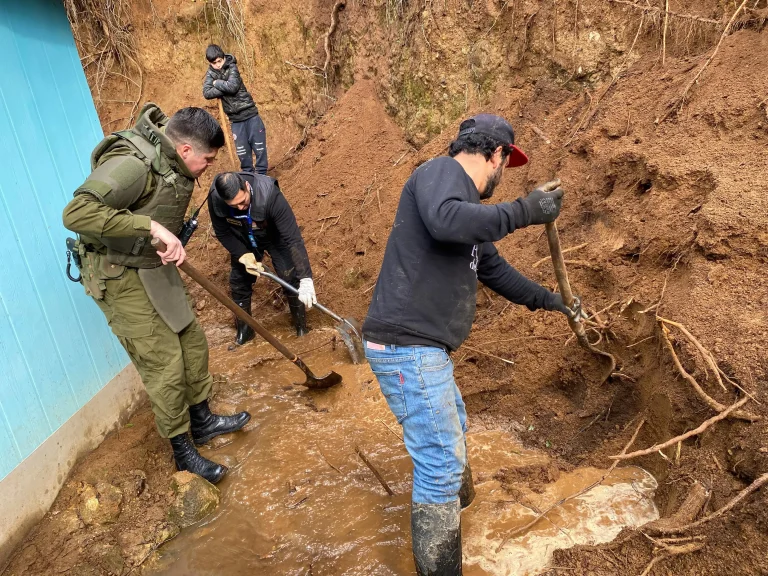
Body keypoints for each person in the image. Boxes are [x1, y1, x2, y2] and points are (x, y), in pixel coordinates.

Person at [362, 114, 580, 575]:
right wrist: (527, 210)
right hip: (407, 346)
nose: (504, 175)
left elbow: (494, 270)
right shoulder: (441, 175)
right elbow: (445, 222)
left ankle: (460, 518)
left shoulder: (465, 215)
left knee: (451, 433)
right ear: (496, 154)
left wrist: (550, 301)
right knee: (440, 462)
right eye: (507, 162)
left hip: (423, 351)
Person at [62, 103, 251, 485]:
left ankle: (203, 421)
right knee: (163, 362)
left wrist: (163, 236)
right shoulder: (133, 165)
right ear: (184, 150)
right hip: (118, 274)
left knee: (192, 342)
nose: (208, 167)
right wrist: (149, 225)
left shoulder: (172, 159)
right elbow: (76, 213)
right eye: (207, 159)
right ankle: (183, 453)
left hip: (152, 265)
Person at [207, 171, 316, 344]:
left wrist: (306, 278)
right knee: (239, 282)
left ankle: (301, 327)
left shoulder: (270, 195)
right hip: (244, 239)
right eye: (234, 206)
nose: (240, 208)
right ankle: (246, 330)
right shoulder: (216, 199)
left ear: (247, 187)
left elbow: (293, 239)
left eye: (243, 202)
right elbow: (222, 232)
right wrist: (242, 254)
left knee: (290, 276)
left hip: (274, 235)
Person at [202, 44, 268, 175]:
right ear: (210, 63)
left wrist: (217, 83)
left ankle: (261, 175)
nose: (218, 65)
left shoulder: (232, 66)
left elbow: (233, 86)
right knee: (243, 152)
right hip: (235, 120)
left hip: (250, 114)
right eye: (214, 63)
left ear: (223, 57)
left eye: (219, 61)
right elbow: (207, 92)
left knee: (259, 148)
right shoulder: (211, 73)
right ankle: (248, 176)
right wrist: (222, 86)